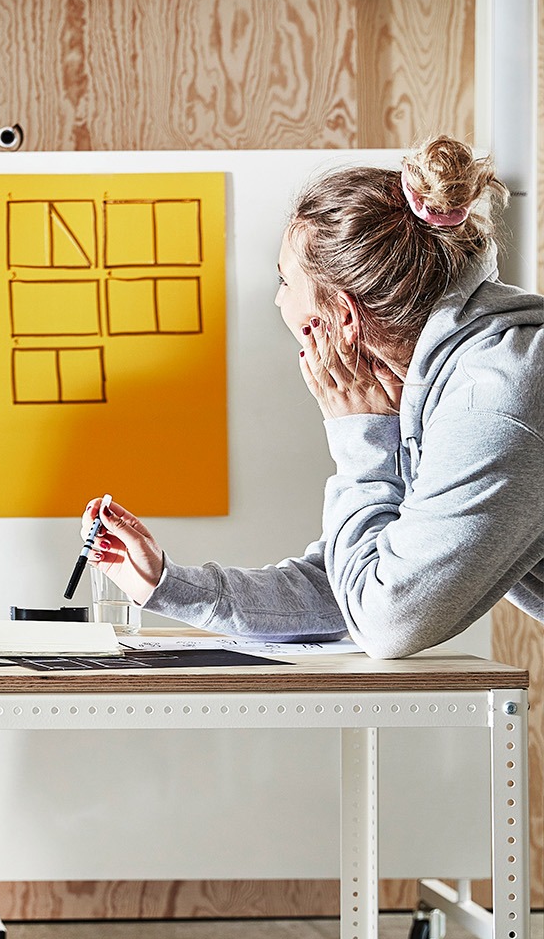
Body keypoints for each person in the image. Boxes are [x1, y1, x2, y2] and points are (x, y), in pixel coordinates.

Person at [84, 135, 544, 660]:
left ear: (341, 318)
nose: (279, 299)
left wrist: (364, 437)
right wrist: (165, 583)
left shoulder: (492, 400)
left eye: (284, 279)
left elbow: (387, 620)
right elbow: (352, 588)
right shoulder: (451, 380)